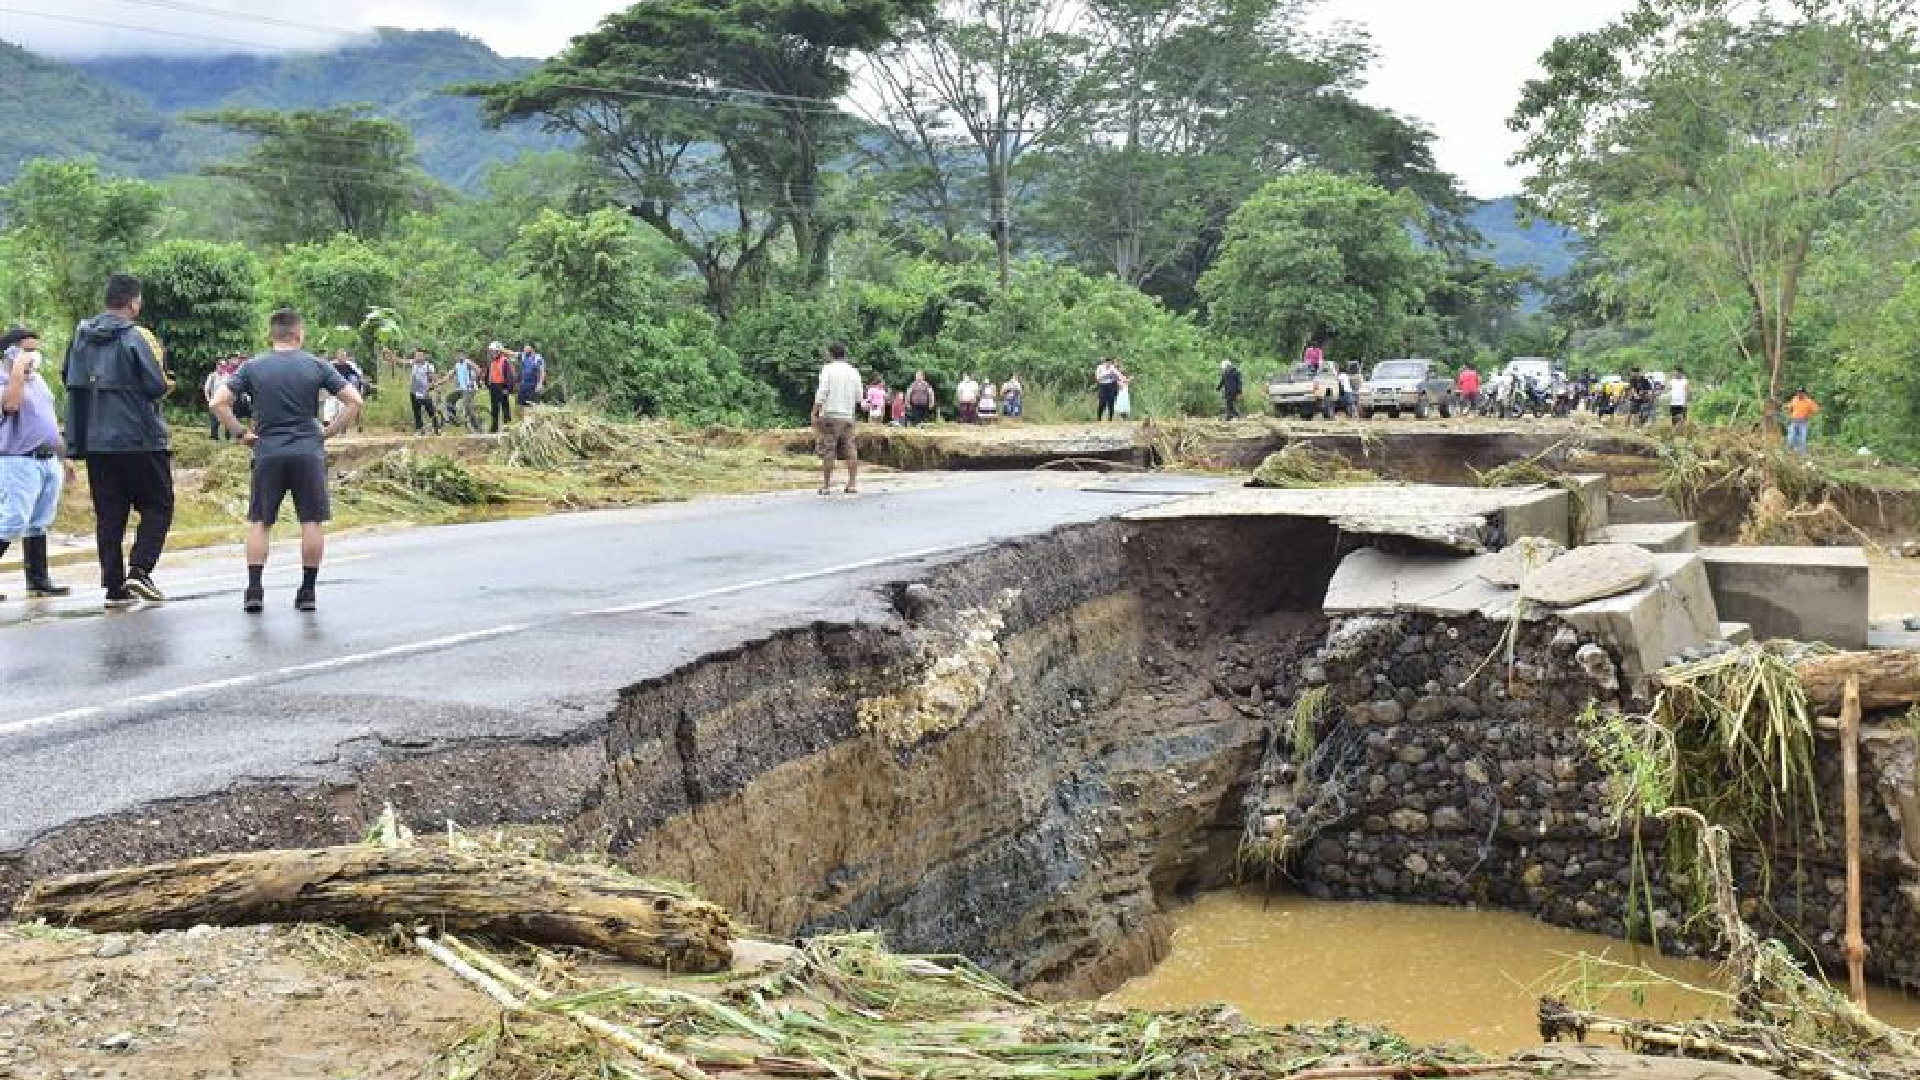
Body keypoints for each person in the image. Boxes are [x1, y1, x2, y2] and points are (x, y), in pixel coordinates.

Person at [211, 309, 363, 613]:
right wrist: (328, 432)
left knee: (260, 522)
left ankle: (254, 591)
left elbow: (218, 402)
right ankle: (307, 592)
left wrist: (241, 433)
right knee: (311, 521)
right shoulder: (317, 365)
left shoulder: (253, 367)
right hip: (308, 451)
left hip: (268, 451)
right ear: (299, 334)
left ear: (273, 335)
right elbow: (354, 400)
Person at [64, 273, 173, 605]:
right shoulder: (133, 338)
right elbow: (155, 385)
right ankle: (140, 570)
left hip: (96, 442)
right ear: (133, 302)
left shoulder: (79, 340)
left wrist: (74, 444)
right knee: (158, 505)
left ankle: (114, 587)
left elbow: (69, 382)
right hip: (139, 439)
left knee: (110, 514)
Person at [0, 327, 70, 600]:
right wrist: (17, 369)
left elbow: (49, 419)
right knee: (13, 519)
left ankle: (38, 581)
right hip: (17, 461)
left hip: (47, 459)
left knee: (39, 522)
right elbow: (12, 405)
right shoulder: (5, 380)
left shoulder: (38, 382)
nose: (34, 356)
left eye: (36, 350)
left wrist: (64, 457)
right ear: (11, 352)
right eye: (28, 350)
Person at [812, 342, 862, 495]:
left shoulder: (828, 369)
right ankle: (852, 484)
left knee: (828, 449)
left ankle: (826, 486)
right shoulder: (854, 372)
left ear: (831, 354)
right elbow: (859, 396)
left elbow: (823, 392)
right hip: (848, 415)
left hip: (830, 415)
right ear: (844, 354)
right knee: (850, 449)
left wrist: (815, 411)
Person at [408, 348, 441, 435]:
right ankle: (420, 429)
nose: (417, 357)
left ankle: (436, 428)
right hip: (414, 391)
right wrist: (389, 354)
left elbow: (434, 379)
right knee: (416, 411)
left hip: (424, 391)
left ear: (423, 357)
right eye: (416, 355)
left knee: (430, 409)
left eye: (419, 355)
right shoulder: (413, 363)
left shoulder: (429, 366)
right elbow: (400, 361)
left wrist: (435, 388)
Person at [449, 350, 482, 433]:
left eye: (461, 354)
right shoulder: (456, 365)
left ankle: (478, 427)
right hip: (462, 389)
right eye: (457, 355)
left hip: (471, 388)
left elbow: (478, 370)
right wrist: (437, 383)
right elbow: (448, 376)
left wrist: (472, 381)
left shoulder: (468, 362)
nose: (459, 356)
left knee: (466, 404)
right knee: (449, 399)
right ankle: (455, 420)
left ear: (464, 355)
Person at [486, 342, 516, 432]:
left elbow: (509, 376)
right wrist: (488, 384)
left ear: (498, 351)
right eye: (491, 352)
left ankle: (507, 426)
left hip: (502, 386)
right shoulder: (492, 362)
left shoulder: (504, 361)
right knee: (494, 408)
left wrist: (507, 388)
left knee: (505, 407)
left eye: (493, 351)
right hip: (493, 386)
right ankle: (494, 427)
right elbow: (489, 374)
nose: (492, 353)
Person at [1786, 388, 1820, 454]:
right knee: (1791, 437)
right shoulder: (1794, 399)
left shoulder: (1808, 401)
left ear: (1804, 393)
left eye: (1801, 392)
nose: (1799, 394)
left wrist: (1809, 415)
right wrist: (1790, 415)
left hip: (1803, 422)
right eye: (1798, 392)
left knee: (1802, 437)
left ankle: (1802, 453)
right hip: (1794, 421)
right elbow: (1789, 408)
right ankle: (1790, 451)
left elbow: (1816, 409)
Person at [518, 344, 547, 409]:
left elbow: (542, 372)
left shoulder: (538, 358)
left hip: (533, 385)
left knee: (532, 405)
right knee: (521, 404)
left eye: (526, 348)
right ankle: (522, 417)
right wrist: (501, 349)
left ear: (532, 348)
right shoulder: (524, 355)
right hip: (524, 385)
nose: (524, 349)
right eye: (524, 348)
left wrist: (540, 384)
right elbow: (512, 353)